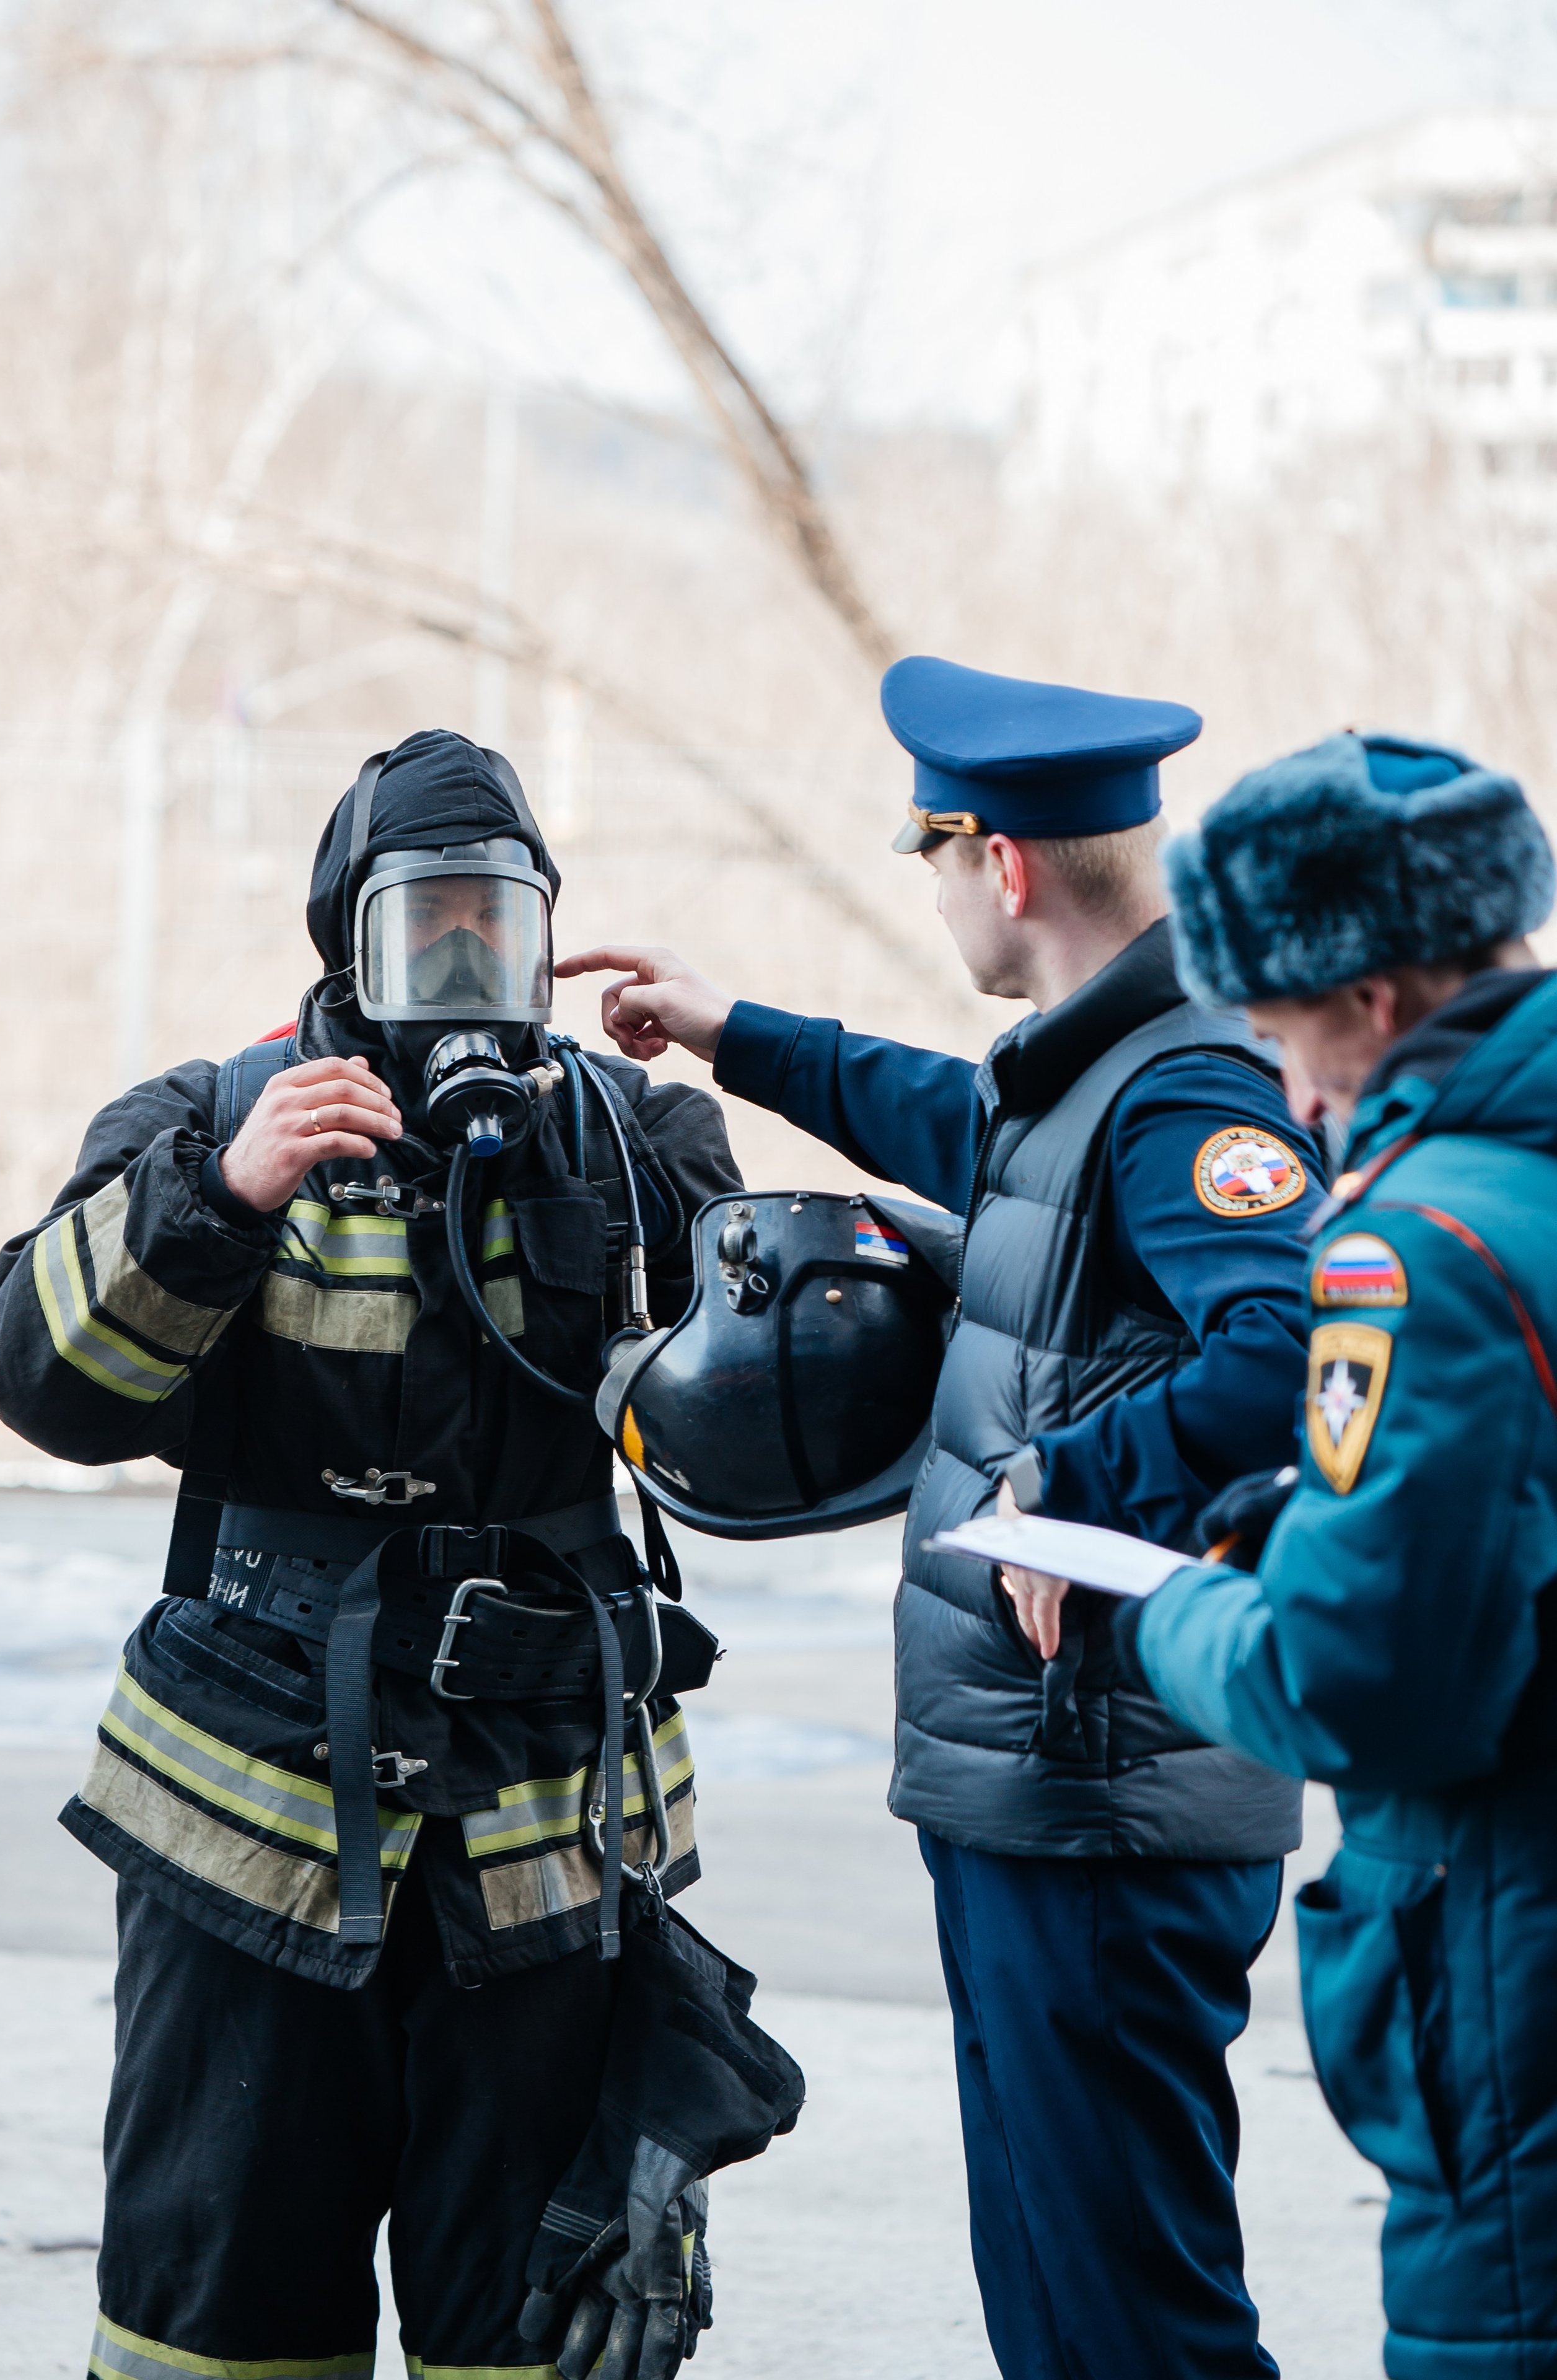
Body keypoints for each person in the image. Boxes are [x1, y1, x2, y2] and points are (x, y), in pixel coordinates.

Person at [559, 654, 1329, 2379]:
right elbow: (964, 1123)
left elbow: (1288, 1344)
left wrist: (1072, 1482)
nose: (934, 885)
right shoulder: (1089, 1072)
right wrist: (731, 1030)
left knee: (1135, 2311)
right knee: (1061, 2297)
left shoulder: (1187, 1087)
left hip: (1106, 1796)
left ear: (1006, 866)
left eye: (934, 852)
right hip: (1045, 1780)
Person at [0, 731, 753, 2380]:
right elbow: (44, 1382)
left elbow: (745, 1443)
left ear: (551, 938)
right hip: (243, 1854)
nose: (468, 963)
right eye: (429, 925)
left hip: (545, 1854)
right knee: (216, 2327)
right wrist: (220, 1196)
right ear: (350, 939)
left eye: (501, 924)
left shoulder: (637, 1148)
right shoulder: (205, 1121)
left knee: (537, 2332)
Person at [1113, 729, 1557, 2379]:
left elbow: (1355, 1687)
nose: (1291, 1098)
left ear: (1370, 1000)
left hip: (1516, 2031)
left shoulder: (1417, 1246)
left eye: (1290, 1036)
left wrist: (1172, 1605)